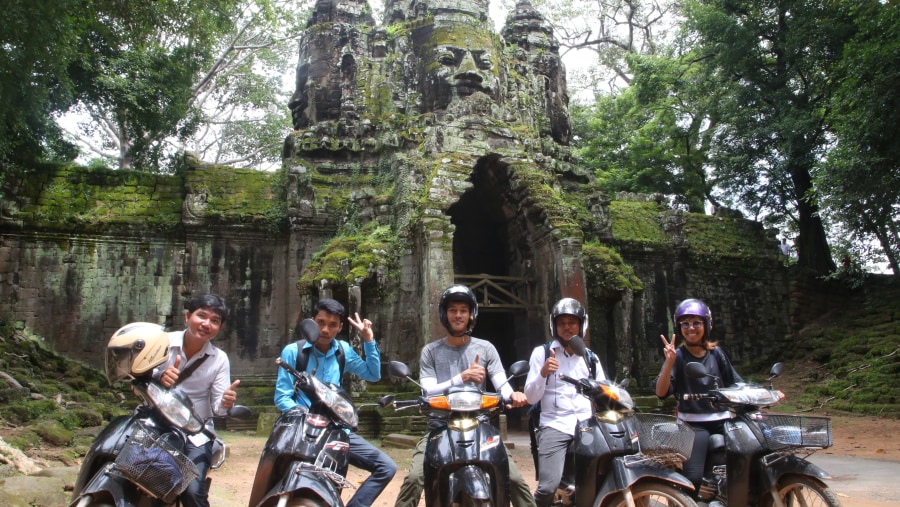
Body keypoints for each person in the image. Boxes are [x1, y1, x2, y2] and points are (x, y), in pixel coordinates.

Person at [394, 284, 536, 507]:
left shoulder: (486, 348)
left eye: (463, 310)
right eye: (453, 310)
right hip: (440, 428)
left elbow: (501, 382)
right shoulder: (430, 351)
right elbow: (427, 389)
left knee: (516, 479)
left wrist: (513, 394)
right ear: (445, 314)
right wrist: (462, 377)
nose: (458, 315)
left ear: (471, 314)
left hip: (481, 427)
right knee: (414, 479)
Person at [272, 298, 396, 507]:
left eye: (332, 325)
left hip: (335, 430)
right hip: (300, 428)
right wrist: (304, 417)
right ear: (312, 322)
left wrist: (368, 340)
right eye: (320, 322)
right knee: (274, 467)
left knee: (386, 467)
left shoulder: (342, 351)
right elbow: (282, 397)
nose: (325, 329)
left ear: (340, 327)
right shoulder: (294, 351)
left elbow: (373, 374)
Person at [155, 293, 240, 507]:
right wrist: (159, 377)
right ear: (187, 317)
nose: (206, 324)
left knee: (192, 492)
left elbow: (219, 409)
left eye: (215, 320)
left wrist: (226, 402)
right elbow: (139, 377)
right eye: (201, 316)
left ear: (219, 328)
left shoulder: (219, 359)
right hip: (155, 424)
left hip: (195, 432)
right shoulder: (162, 343)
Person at [653, 298, 743, 497]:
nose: (691, 328)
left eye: (696, 323)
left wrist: (761, 395)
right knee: (692, 480)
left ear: (706, 325)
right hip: (694, 425)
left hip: (724, 420)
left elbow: (736, 383)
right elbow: (661, 392)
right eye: (685, 324)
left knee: (746, 463)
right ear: (679, 327)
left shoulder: (717, 354)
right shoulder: (678, 356)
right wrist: (669, 363)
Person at [524, 298, 606, 507]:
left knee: (600, 477)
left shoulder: (590, 359)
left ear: (581, 325)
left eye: (572, 322)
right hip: (555, 424)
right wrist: (543, 373)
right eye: (562, 323)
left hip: (586, 427)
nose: (567, 327)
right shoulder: (541, 353)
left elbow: (604, 390)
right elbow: (531, 397)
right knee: (547, 488)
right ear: (554, 326)